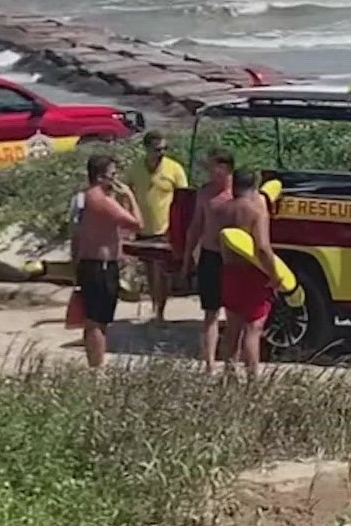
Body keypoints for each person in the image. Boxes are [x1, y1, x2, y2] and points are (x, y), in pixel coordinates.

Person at [72, 153, 142, 369]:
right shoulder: (101, 200)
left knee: (94, 319)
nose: (116, 179)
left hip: (89, 263)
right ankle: (97, 367)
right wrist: (129, 196)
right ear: (101, 177)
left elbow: (75, 234)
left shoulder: (82, 198)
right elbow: (137, 223)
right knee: (98, 321)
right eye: (112, 175)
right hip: (100, 266)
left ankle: (95, 363)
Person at [211, 167, 280, 376]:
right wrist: (275, 275)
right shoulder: (256, 211)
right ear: (255, 185)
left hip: (228, 270)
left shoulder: (221, 210)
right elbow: (262, 247)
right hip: (252, 273)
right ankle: (252, 379)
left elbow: (215, 240)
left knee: (232, 327)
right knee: (253, 328)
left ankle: (228, 374)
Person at [181, 148, 236, 371]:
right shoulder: (205, 193)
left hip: (234, 259)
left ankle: (232, 361)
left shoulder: (238, 194)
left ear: (224, 168)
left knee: (234, 314)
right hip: (210, 255)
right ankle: (209, 363)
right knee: (210, 312)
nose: (209, 171)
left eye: (212, 166)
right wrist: (186, 259)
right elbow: (195, 226)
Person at [134, 131, 188, 322]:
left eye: (165, 149)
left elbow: (184, 200)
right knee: (150, 273)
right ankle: (156, 307)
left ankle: (160, 313)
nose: (162, 153)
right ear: (147, 149)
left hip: (165, 230)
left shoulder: (174, 169)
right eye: (157, 149)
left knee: (161, 273)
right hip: (143, 230)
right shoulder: (135, 168)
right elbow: (125, 192)